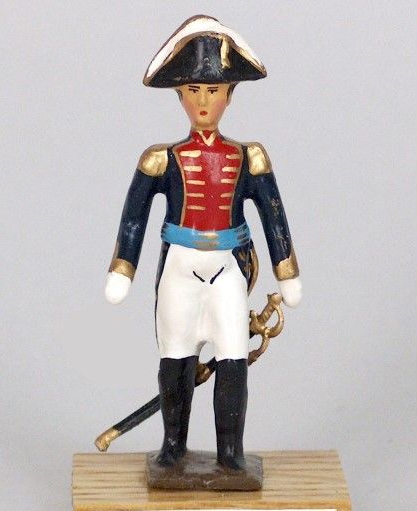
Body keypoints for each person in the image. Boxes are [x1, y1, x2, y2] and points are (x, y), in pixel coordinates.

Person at [105, 15, 302, 470]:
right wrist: (122, 269)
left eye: (213, 90)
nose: (203, 101)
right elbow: (134, 218)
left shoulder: (248, 157)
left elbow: (273, 216)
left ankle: (230, 453)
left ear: (230, 95)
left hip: (228, 268)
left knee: (232, 357)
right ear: (180, 95)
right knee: (175, 355)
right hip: (180, 265)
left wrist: (286, 272)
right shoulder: (161, 159)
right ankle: (173, 447)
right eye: (193, 90)